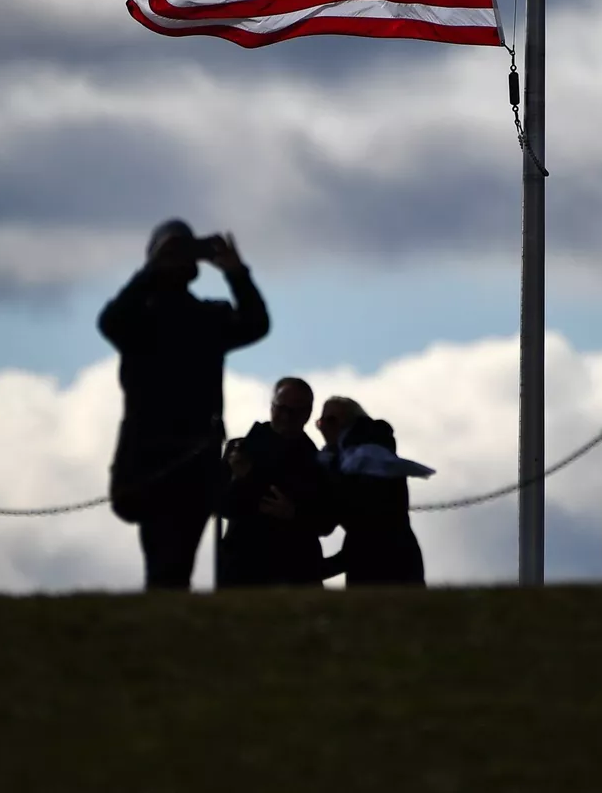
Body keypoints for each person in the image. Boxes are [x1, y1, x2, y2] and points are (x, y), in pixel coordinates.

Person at [99, 220, 270, 590]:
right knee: (166, 561)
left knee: (170, 562)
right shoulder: (139, 322)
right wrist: (153, 269)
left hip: (190, 456)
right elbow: (110, 321)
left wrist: (235, 271)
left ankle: (166, 612)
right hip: (154, 457)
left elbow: (256, 323)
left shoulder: (207, 318)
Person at [216, 377, 334, 588]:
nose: (286, 417)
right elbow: (221, 505)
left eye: (294, 411)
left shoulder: (318, 462)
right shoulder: (240, 450)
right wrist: (240, 480)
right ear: (272, 406)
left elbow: (327, 522)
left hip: (296, 570)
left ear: (307, 413)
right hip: (243, 567)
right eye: (281, 409)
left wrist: (294, 514)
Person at [316, 396, 429, 587]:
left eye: (332, 421)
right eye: (321, 422)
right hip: (376, 562)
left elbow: (371, 527)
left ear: (351, 423)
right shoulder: (338, 461)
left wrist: (320, 568)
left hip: (392, 564)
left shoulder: (370, 460)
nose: (324, 428)